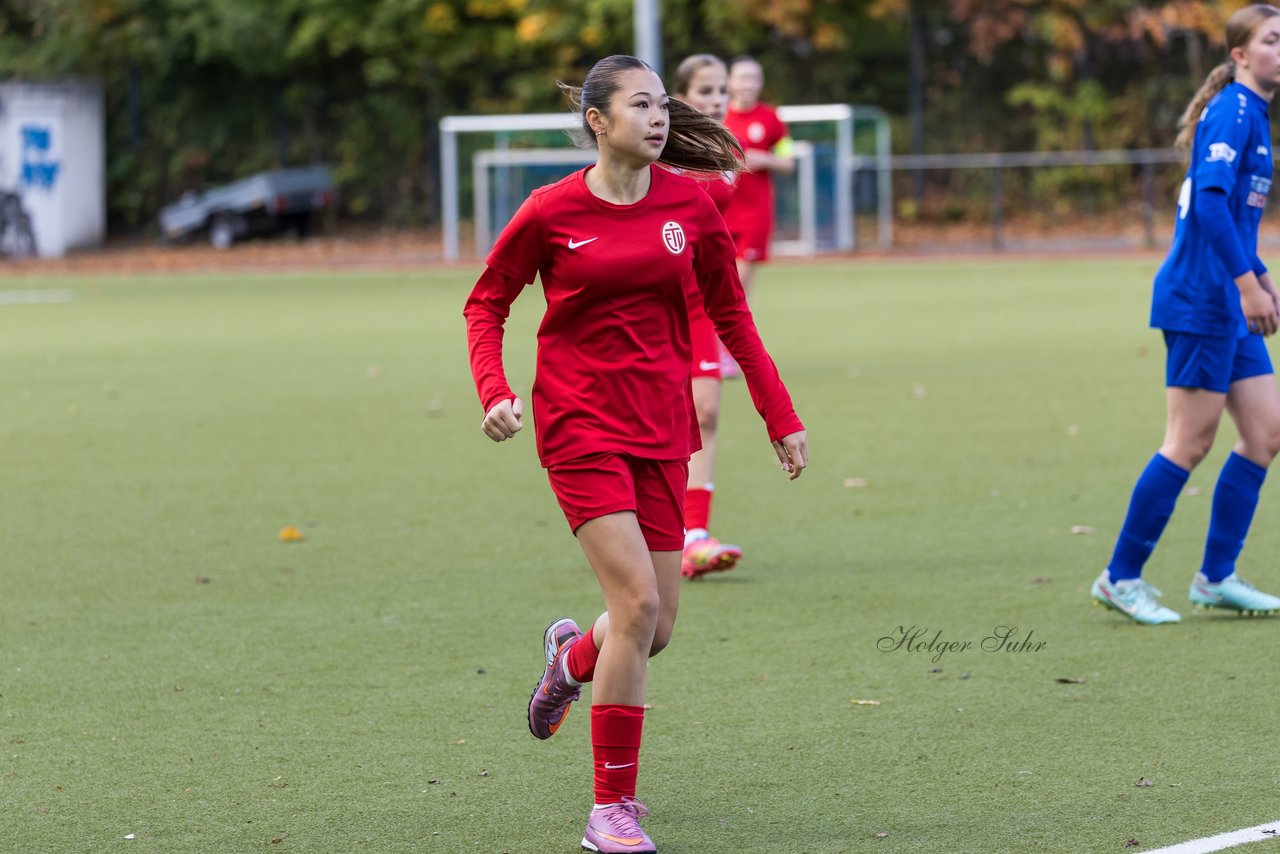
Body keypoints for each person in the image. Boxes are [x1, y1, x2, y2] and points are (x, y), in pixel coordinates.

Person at [463, 54, 808, 853]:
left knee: (651, 630)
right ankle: (608, 809)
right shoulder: (551, 212)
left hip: (662, 428)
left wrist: (778, 414)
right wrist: (494, 391)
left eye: (663, 105)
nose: (659, 118)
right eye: (641, 105)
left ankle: (568, 661)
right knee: (638, 605)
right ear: (598, 120)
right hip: (579, 425)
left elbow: (733, 316)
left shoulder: (691, 202)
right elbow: (487, 302)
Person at [1092, 3, 1280, 625]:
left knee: (1266, 432)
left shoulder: (1254, 112)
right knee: (1189, 441)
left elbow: (1237, 217)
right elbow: (1210, 206)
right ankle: (1120, 576)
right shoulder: (1232, 108)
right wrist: (1246, 285)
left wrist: (1259, 277)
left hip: (1230, 294)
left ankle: (1215, 576)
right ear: (1240, 55)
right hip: (1203, 297)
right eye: (1273, 41)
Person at [669, 53, 744, 580]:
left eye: (721, 89)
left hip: (703, 303)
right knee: (655, 416)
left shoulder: (726, 149)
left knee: (708, 411)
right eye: (706, 89)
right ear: (681, 94)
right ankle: (652, 529)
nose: (716, 98)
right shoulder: (662, 148)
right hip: (658, 300)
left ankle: (695, 531)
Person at [718, 56, 794, 379]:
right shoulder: (718, 115)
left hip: (755, 214)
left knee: (739, 287)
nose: (747, 84)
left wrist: (764, 159)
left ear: (760, 82)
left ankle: (726, 353)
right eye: (742, 78)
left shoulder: (772, 118)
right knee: (713, 282)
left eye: (753, 78)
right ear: (731, 82)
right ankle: (710, 349)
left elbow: (788, 161)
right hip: (718, 211)